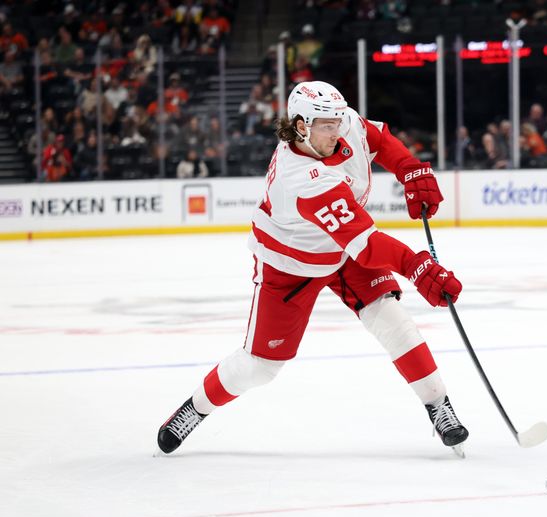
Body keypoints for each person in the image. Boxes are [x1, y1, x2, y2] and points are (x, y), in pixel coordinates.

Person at [157, 81, 468, 455]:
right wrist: (417, 266)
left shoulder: (339, 123)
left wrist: (411, 170)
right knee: (260, 367)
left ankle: (439, 406)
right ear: (301, 126)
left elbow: (380, 139)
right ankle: (195, 408)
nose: (337, 130)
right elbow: (367, 245)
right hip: (290, 263)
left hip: (344, 248)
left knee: (392, 318)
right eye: (326, 125)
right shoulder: (300, 177)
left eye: (338, 121)